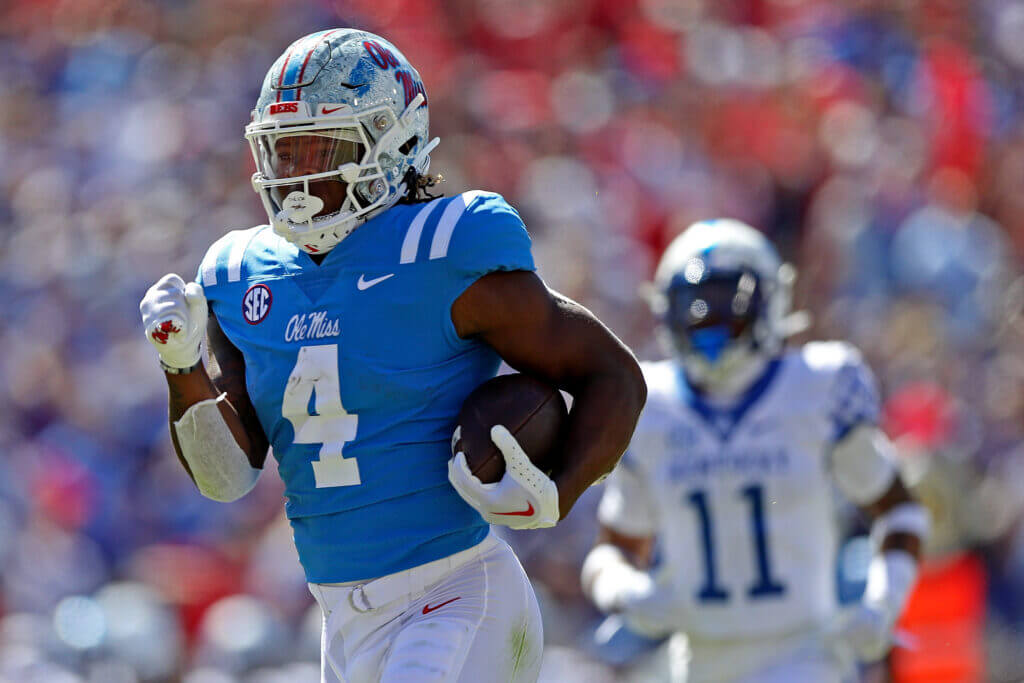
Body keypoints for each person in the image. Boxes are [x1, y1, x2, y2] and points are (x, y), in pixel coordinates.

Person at [138, 29, 646, 683]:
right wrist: (182, 367)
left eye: (323, 148)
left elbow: (614, 376)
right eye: (285, 151)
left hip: (457, 596)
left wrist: (561, 489)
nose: (299, 174)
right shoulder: (240, 273)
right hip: (341, 620)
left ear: (394, 143)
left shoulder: (443, 250)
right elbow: (226, 476)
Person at [581, 219, 929, 682]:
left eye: (730, 307)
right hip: (697, 664)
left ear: (771, 304)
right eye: (697, 308)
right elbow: (610, 554)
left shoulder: (819, 385)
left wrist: (883, 602)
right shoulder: (653, 404)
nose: (712, 324)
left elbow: (900, 513)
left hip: (805, 657)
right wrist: (628, 593)